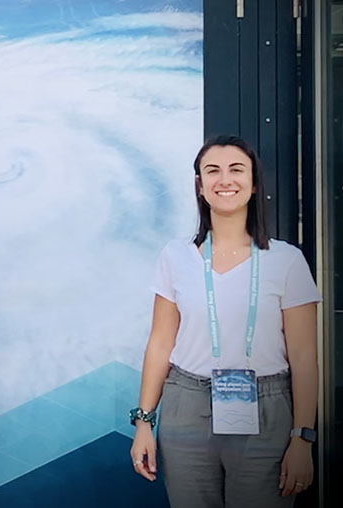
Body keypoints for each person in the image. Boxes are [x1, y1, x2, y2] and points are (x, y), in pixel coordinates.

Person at [129, 135, 320, 508]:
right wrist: (144, 423)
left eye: (236, 170)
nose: (224, 180)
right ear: (200, 186)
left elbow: (303, 355)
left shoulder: (287, 260)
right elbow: (160, 344)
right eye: (212, 171)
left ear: (253, 184)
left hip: (266, 409)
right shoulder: (176, 255)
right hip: (187, 408)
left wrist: (302, 437)